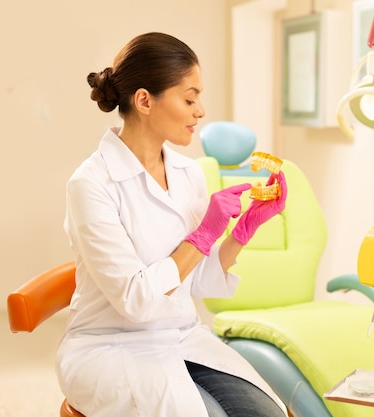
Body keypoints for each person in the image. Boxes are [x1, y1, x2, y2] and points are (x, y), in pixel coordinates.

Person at [55, 32, 288, 417]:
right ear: (144, 100)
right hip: (110, 348)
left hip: (182, 338)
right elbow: (136, 301)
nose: (200, 111)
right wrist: (203, 235)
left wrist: (242, 232)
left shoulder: (188, 173)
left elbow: (195, 279)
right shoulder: (91, 185)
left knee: (269, 414)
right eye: (190, 98)